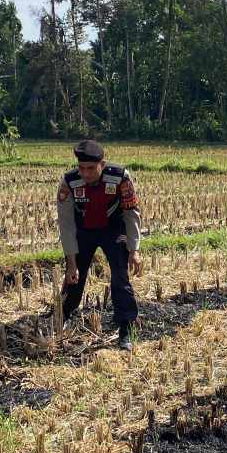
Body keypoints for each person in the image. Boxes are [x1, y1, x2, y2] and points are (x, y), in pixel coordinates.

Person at [57, 139, 143, 351]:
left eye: (90, 168)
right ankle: (62, 315)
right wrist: (71, 262)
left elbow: (131, 212)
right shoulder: (69, 182)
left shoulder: (120, 177)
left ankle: (126, 325)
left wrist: (134, 249)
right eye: (81, 168)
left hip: (113, 228)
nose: (85, 173)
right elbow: (66, 223)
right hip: (83, 228)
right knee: (74, 276)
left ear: (102, 165)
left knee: (120, 276)